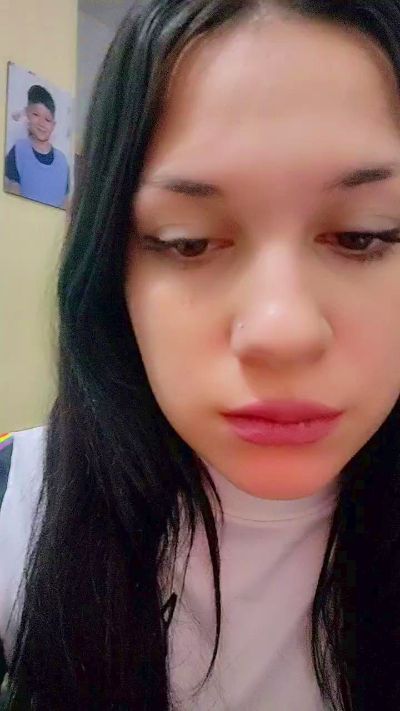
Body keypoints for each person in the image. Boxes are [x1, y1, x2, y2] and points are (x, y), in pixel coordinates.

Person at [1, 0, 400, 708]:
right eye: (187, 241)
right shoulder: (18, 502)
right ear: (113, 271)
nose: (280, 331)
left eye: (363, 235)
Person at [4, 84, 70, 209]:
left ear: (53, 125)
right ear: (27, 114)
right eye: (36, 115)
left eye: (47, 119)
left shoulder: (62, 162)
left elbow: (66, 204)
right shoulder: (18, 151)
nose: (41, 123)